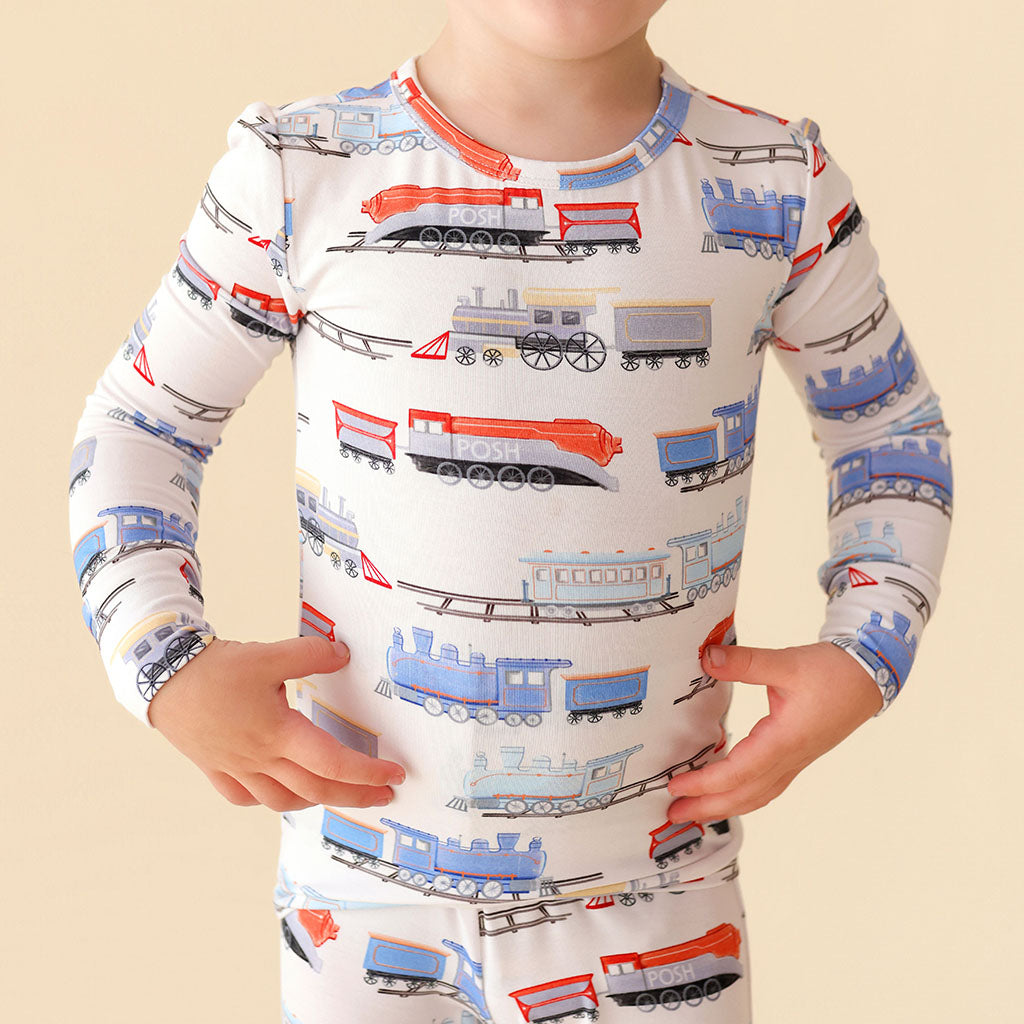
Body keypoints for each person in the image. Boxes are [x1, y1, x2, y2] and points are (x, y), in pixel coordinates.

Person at [66, 1, 954, 1020]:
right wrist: (162, 661)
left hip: (661, 891)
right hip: (356, 890)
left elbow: (890, 428)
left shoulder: (778, 185)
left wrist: (867, 648)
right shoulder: (300, 173)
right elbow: (141, 424)